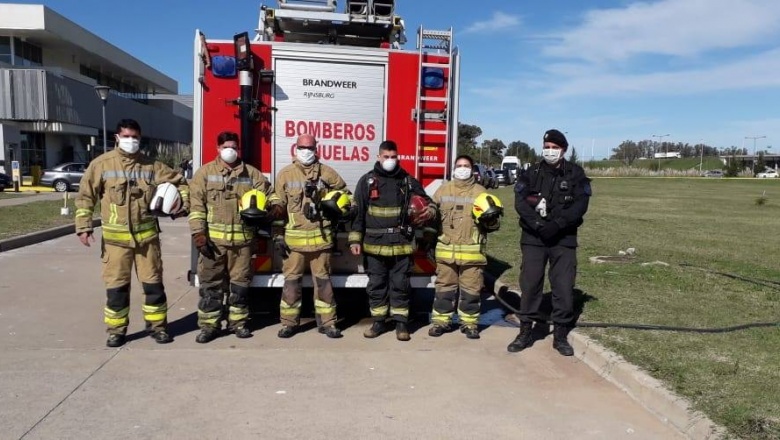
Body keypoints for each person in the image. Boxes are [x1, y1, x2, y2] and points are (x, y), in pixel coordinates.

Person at [75, 119, 189, 348]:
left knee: (153, 286)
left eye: (135, 137)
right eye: (126, 136)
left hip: (147, 241)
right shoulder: (102, 165)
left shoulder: (152, 166)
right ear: (117, 137)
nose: (131, 141)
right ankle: (116, 331)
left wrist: (181, 204)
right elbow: (86, 196)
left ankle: (158, 328)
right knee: (117, 289)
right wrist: (84, 226)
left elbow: (182, 184)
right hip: (116, 242)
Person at [188, 131, 282, 343]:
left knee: (240, 286)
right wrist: (198, 234)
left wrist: (276, 207)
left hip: (243, 244)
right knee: (211, 286)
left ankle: (238, 324)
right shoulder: (204, 174)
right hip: (214, 244)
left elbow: (270, 193)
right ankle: (209, 327)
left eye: (234, 147)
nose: (230, 150)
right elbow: (196, 207)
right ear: (218, 148)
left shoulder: (251, 173)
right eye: (226, 147)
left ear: (238, 149)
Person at [508, 129, 591, 356]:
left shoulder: (575, 173)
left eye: (555, 148)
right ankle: (525, 330)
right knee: (530, 284)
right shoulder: (531, 173)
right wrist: (537, 225)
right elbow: (520, 202)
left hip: (563, 238)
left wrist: (558, 224)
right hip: (534, 238)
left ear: (563, 150)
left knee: (563, 286)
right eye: (547, 147)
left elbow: (580, 206)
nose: (550, 151)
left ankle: (561, 335)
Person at [349, 140, 436, 341]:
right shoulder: (367, 181)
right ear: (378, 157)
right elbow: (358, 214)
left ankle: (401, 325)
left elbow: (427, 203)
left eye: (393, 157)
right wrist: (355, 240)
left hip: (401, 244)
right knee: (377, 285)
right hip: (374, 246)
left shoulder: (407, 181)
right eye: (386, 157)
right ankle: (378, 323)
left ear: (398, 157)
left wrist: (429, 211)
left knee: (401, 285)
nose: (390, 160)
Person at [274, 134, 348, 339]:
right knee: (291, 284)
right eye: (302, 147)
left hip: (320, 242)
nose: (306, 151)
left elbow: (346, 195)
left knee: (324, 284)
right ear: (295, 148)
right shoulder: (285, 175)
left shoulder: (327, 173)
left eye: (310, 147)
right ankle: (289, 323)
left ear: (316, 149)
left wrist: (338, 206)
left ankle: (328, 323)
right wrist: (278, 236)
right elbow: (277, 208)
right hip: (294, 244)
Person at [428, 155, 490, 340]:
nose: (462, 169)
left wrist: (491, 219)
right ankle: (440, 322)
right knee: (444, 289)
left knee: (471, 290)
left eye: (466, 166)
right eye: (459, 165)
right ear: (454, 169)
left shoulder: (481, 192)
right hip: (446, 252)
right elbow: (432, 211)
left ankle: (469, 324)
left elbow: (493, 226)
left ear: (472, 169)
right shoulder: (443, 190)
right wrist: (427, 213)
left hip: (472, 254)